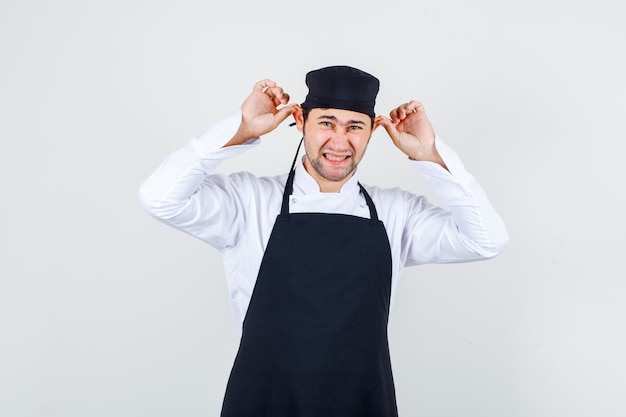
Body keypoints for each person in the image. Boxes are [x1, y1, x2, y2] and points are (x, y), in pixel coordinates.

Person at [139, 65, 509, 416]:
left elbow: (486, 240)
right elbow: (159, 197)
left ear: (373, 130)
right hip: (261, 404)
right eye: (326, 123)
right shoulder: (248, 202)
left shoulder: (396, 213)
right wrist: (240, 128)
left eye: (355, 127)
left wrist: (430, 155)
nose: (339, 141)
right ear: (300, 121)